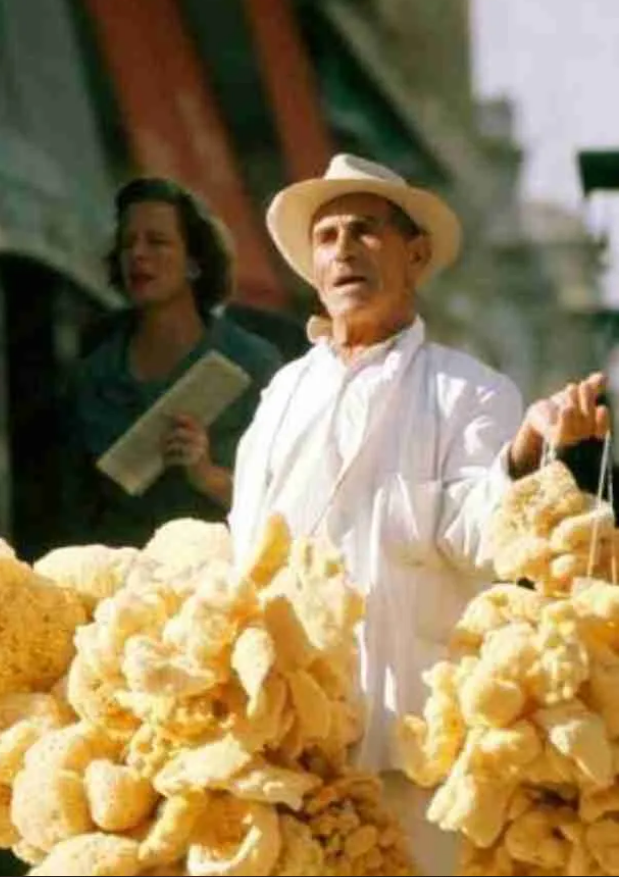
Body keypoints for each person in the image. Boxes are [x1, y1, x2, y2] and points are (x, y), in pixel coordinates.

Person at [228, 154, 608, 875]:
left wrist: (528, 450)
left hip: (409, 741)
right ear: (314, 268)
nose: (345, 251)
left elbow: (485, 537)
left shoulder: (468, 391)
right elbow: (244, 546)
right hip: (287, 741)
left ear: (417, 255)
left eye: (366, 231)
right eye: (328, 237)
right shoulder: (281, 396)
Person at [59, 177, 282, 549]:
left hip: (221, 572)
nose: (138, 254)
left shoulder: (254, 364)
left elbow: (287, 507)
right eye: (128, 243)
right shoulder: (92, 377)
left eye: (157, 241)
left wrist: (208, 476)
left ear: (194, 262)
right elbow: (74, 516)